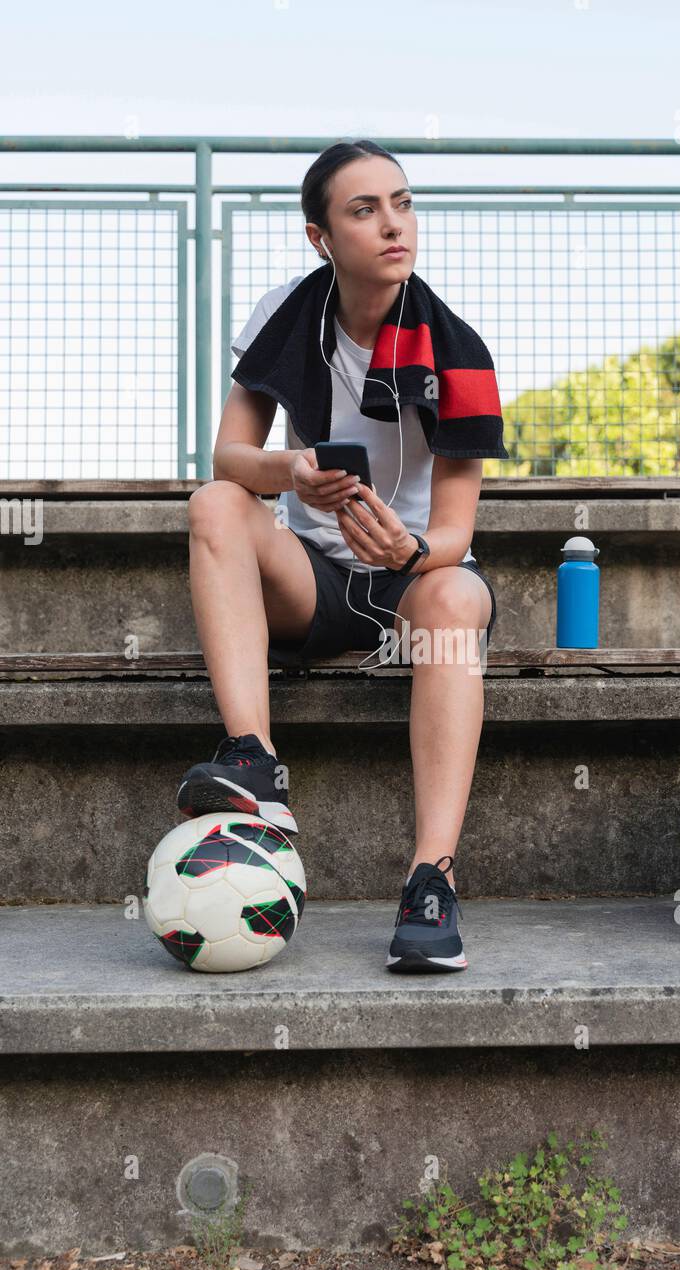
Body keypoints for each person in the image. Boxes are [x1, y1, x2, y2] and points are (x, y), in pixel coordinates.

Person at [176, 138, 508, 973]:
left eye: (402, 202)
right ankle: (255, 761)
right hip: (311, 581)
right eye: (364, 210)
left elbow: (458, 534)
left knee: (458, 600)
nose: (394, 224)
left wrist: (414, 547)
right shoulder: (287, 312)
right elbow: (229, 459)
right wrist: (289, 470)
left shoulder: (458, 351)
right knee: (216, 504)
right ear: (320, 237)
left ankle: (431, 879)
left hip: (409, 588)